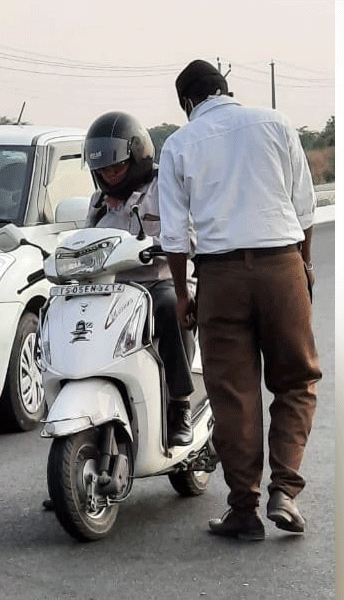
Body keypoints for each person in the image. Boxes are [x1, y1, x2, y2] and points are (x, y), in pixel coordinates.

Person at [158, 59, 321, 541]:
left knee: (234, 393)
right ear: (226, 89)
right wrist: (304, 268)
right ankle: (285, 492)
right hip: (281, 265)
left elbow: (174, 234)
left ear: (188, 102)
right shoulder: (275, 122)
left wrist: (184, 290)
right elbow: (304, 206)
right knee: (296, 379)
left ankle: (244, 509)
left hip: (220, 275)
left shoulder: (180, 143)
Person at [83, 111, 194, 446]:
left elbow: (191, 231)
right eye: (101, 170)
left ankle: (180, 405)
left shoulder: (165, 187)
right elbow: (86, 240)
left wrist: (166, 247)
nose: (109, 175)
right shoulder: (99, 202)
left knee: (170, 308)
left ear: (138, 156)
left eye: (115, 168)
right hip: (115, 288)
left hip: (162, 279)